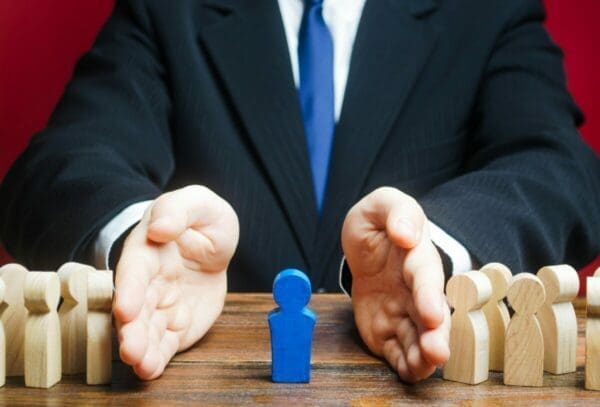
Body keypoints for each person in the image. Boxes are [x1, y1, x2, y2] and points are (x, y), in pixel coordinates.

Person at [0, 0, 598, 384]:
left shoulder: (487, 12)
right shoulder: (166, 11)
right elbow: (59, 163)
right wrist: (144, 237)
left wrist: (434, 252)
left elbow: (560, 167)